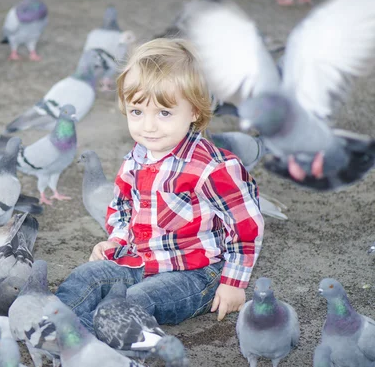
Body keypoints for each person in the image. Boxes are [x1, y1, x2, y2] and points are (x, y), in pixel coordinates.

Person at [55, 38, 265, 332]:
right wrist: (115, 241)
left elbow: (245, 226)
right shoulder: (135, 159)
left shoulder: (212, 168)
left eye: (164, 113)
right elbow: (123, 208)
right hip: (139, 261)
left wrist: (233, 284)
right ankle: (49, 319)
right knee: (84, 277)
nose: (148, 126)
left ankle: (78, 336)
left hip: (195, 275)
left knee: (136, 300)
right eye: (137, 112)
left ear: (193, 111)